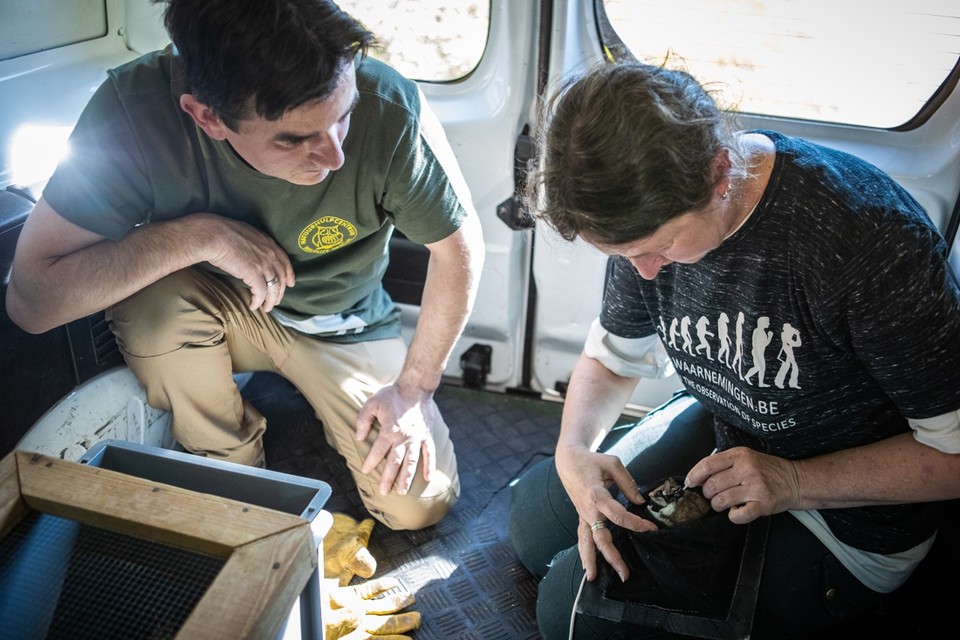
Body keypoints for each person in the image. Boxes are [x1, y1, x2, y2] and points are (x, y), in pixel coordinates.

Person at [509, 60, 960, 638]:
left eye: (660, 248)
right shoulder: (637, 223)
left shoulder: (864, 240)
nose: (645, 274)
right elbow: (610, 356)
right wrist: (574, 449)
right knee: (535, 522)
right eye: (624, 257)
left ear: (720, 172)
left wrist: (794, 482)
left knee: (566, 611)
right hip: (733, 428)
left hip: (848, 516)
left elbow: (951, 454)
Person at [5, 0, 484, 532]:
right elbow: (32, 300)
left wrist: (414, 390)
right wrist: (198, 236)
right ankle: (228, 467)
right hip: (210, 310)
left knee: (419, 505)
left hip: (342, 322)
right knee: (149, 304)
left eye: (343, 117)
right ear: (207, 117)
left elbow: (459, 251)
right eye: (294, 139)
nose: (334, 158)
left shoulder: (389, 105)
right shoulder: (131, 112)